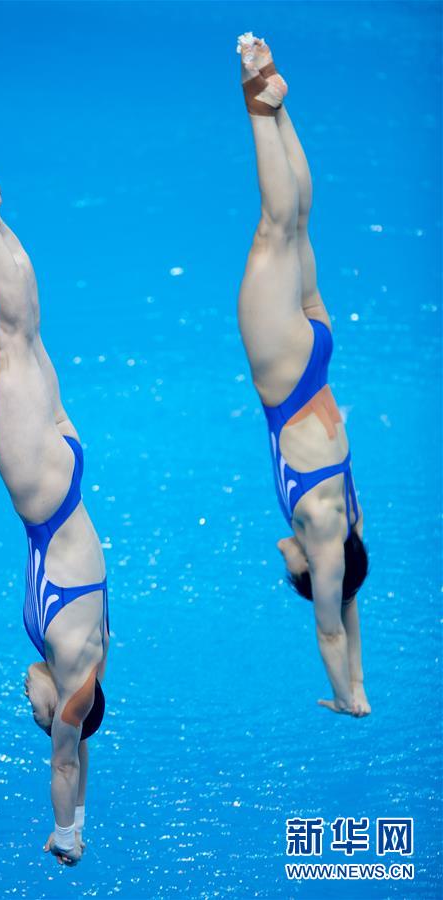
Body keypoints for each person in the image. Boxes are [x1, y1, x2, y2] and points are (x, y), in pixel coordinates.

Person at [0, 138, 110, 864]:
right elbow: (69, 757)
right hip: (44, 494)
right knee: (11, 339)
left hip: (66, 475)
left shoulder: (94, 660)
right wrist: (68, 832)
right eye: (40, 717)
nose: (32, 709)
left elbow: (83, 753)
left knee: (26, 335)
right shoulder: (74, 687)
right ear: (63, 713)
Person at [235, 35, 370, 717]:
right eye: (293, 566)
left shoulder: (350, 514)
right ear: (309, 567)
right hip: (287, 377)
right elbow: (329, 621)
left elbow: (349, 602)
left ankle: (278, 99)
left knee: (300, 223)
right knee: (275, 228)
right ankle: (259, 104)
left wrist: (364, 685)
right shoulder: (319, 528)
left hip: (320, 351)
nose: (280, 555)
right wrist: (344, 697)